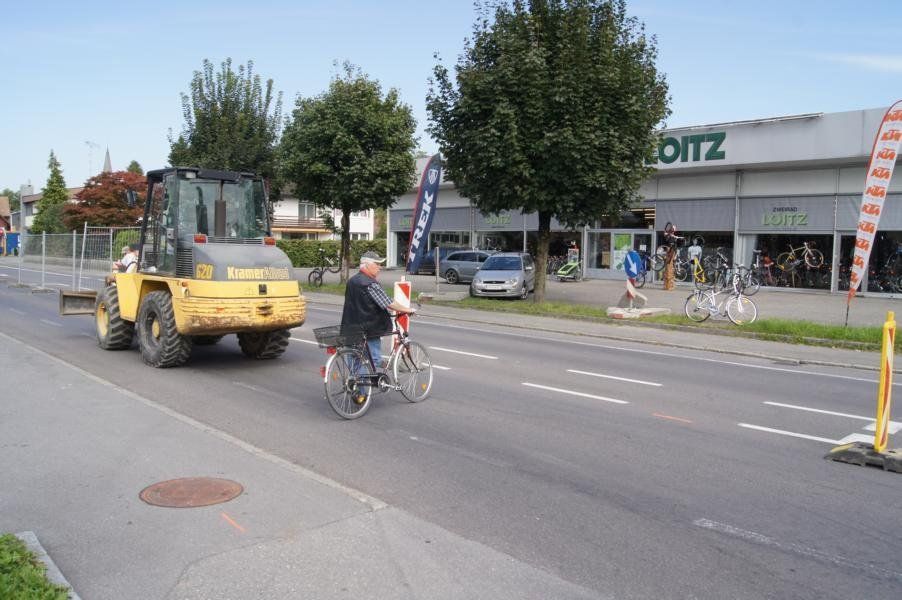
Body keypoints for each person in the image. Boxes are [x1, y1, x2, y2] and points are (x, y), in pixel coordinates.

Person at [341, 251, 417, 370]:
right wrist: (407, 309)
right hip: (368, 330)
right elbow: (388, 303)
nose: (380, 267)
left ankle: (354, 381)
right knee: (373, 361)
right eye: (377, 264)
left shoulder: (352, 281)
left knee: (355, 361)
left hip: (350, 328)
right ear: (367, 265)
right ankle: (364, 380)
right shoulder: (370, 284)